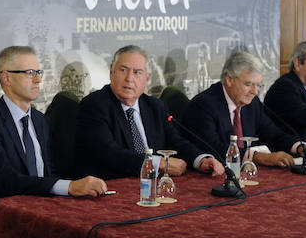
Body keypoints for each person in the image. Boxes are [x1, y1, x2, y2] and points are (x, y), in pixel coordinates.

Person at [0, 46, 107, 238]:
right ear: (6, 78)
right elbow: (7, 180)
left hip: (43, 215)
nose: (38, 80)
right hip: (4, 225)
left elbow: (47, 173)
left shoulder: (39, 120)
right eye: (29, 73)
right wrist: (69, 187)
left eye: (38, 73)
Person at [75, 45, 224, 180]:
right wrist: (157, 163)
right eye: (123, 70)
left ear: (147, 79)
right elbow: (110, 153)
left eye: (137, 72)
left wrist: (200, 159)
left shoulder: (154, 106)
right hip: (113, 187)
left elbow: (175, 142)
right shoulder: (94, 105)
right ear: (111, 72)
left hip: (153, 185)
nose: (129, 78)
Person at [183, 50, 306, 167]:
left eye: (258, 85)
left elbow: (273, 133)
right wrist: (259, 157)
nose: (255, 92)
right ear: (229, 79)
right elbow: (214, 147)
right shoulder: (203, 105)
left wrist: (299, 147)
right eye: (249, 84)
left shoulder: (252, 103)